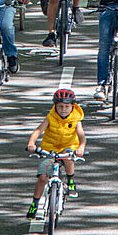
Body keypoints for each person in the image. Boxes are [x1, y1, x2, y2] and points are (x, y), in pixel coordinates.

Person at [26, 89, 86, 218]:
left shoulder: (76, 119)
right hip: (49, 148)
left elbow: (81, 136)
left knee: (69, 156)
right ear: (55, 106)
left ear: (73, 106)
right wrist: (32, 143)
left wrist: (81, 147)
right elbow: (38, 131)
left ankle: (70, 181)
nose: (63, 109)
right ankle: (34, 204)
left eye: (67, 106)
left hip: (67, 146)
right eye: (60, 106)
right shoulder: (50, 117)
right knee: (42, 178)